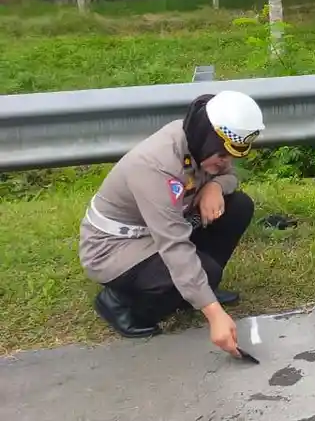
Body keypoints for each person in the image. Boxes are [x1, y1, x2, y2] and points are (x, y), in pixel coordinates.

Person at [78, 90, 264, 356]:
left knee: (238, 206)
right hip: (114, 247)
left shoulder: (202, 145)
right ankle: (121, 303)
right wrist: (214, 314)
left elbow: (230, 179)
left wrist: (214, 188)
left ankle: (196, 291)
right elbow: (174, 245)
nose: (227, 162)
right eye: (222, 155)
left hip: (159, 227)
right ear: (206, 137)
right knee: (204, 271)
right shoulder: (155, 166)